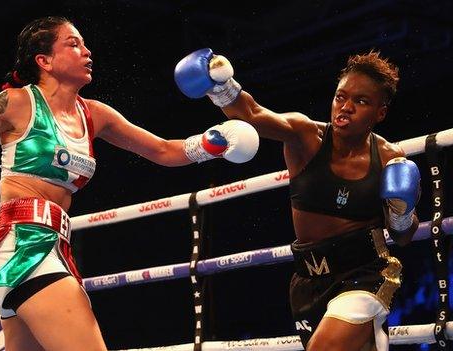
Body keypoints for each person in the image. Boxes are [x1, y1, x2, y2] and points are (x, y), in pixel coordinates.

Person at [0, 17, 259, 351]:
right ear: (45, 60)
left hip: (52, 247)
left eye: (85, 43)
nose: (87, 51)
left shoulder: (96, 115)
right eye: (73, 44)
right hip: (23, 248)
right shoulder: (17, 103)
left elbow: (163, 150)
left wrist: (211, 144)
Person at [174, 48, 421, 351]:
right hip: (308, 281)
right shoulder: (307, 137)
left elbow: (403, 235)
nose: (345, 107)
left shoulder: (388, 160)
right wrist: (219, 86)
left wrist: (401, 213)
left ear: (380, 112)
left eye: (361, 101)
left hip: (364, 275)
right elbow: (253, 114)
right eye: (340, 97)